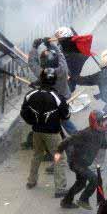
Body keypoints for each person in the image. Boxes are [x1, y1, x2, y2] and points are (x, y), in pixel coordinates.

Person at [21, 68, 70, 196]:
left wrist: (33, 122)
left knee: (37, 154)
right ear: (54, 80)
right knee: (59, 157)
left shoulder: (30, 95)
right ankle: (60, 188)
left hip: (37, 131)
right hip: (53, 134)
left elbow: (24, 112)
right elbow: (66, 116)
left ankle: (31, 181)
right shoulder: (58, 97)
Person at [56, 110, 107, 210]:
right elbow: (67, 140)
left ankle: (66, 201)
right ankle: (83, 199)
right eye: (102, 122)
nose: (105, 124)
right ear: (95, 123)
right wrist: (58, 153)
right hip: (76, 163)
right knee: (94, 179)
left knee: (80, 184)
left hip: (83, 163)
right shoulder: (85, 133)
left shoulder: (100, 133)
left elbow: (103, 144)